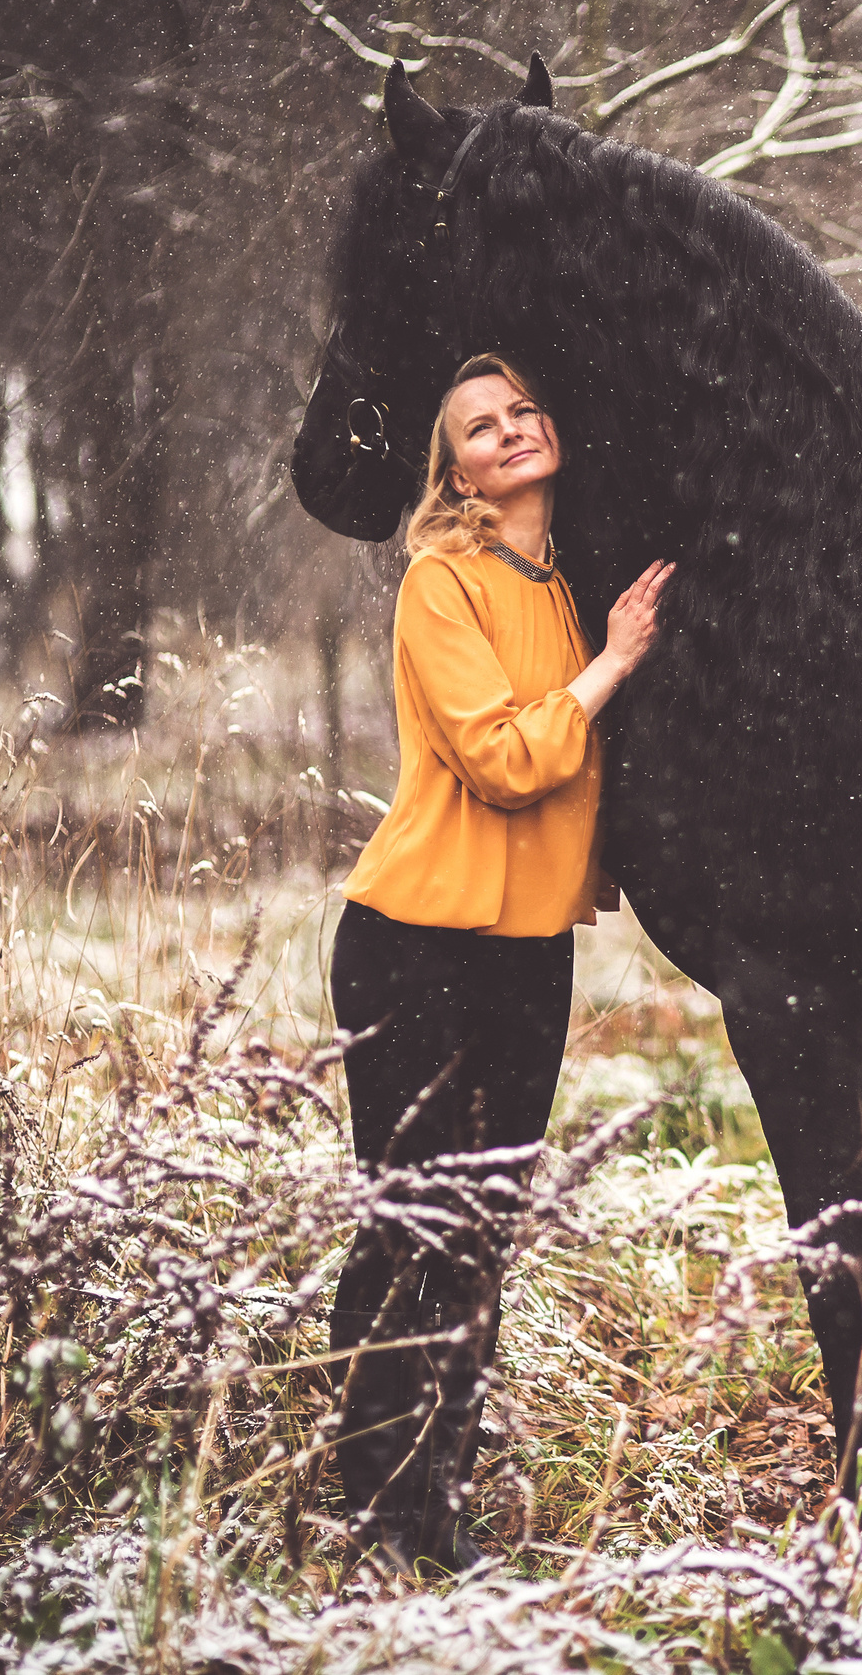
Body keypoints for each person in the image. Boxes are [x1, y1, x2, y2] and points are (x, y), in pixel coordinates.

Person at [326, 352, 672, 1573]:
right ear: (453, 466)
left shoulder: (569, 587)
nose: (512, 431)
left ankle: (442, 1500)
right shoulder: (443, 579)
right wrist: (613, 662)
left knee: (483, 1229)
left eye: (524, 408)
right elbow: (506, 760)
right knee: (412, 1219)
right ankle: (378, 1508)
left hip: (526, 951)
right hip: (413, 941)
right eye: (481, 425)